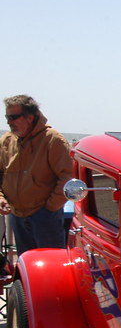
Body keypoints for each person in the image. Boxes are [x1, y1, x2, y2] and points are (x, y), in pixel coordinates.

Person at [0, 95, 74, 255]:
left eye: (13, 117)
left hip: (45, 218)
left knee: (51, 266)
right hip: (17, 215)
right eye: (7, 117)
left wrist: (49, 208)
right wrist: (1, 198)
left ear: (30, 117)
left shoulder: (53, 140)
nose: (9, 122)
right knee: (27, 267)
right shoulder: (6, 141)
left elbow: (67, 178)